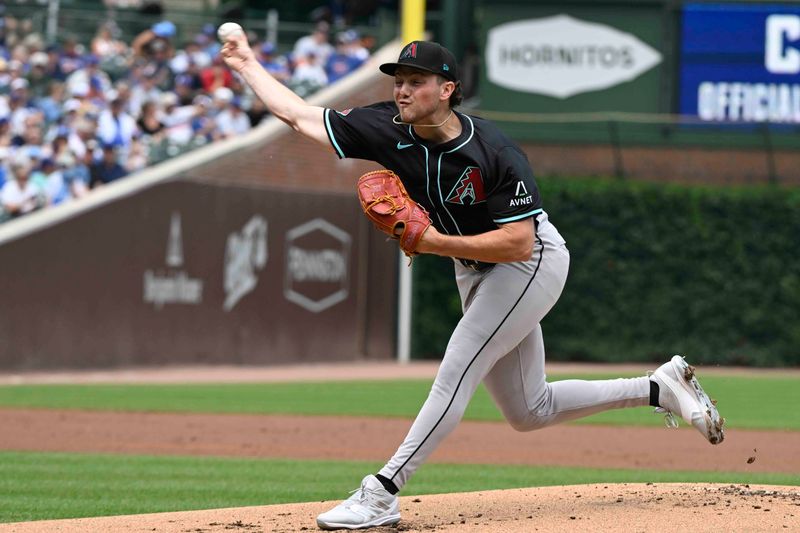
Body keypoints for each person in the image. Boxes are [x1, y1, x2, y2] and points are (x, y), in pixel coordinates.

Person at [221, 35, 726, 530]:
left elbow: (518, 244)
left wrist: (433, 242)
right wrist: (246, 65)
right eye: (398, 80)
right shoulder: (385, 126)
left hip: (531, 263)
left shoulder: (495, 151)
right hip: (475, 268)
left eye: (416, 81)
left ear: (447, 89)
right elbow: (299, 115)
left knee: (456, 370)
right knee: (530, 410)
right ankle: (659, 388)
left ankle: (382, 492)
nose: (402, 90)